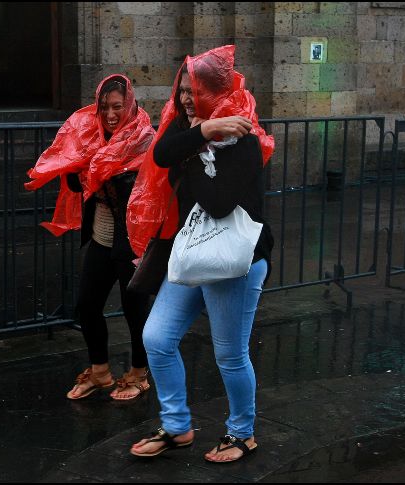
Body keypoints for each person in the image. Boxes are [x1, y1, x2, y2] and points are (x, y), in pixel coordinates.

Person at [125, 45, 275, 462]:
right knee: (156, 338)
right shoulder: (188, 129)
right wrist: (202, 135)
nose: (187, 99)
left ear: (218, 92)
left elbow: (217, 203)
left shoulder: (245, 140)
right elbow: (160, 153)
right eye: (184, 90)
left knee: (229, 353)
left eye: (197, 91)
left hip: (235, 260)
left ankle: (242, 433)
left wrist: (193, 152)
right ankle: (176, 427)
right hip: (191, 251)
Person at [25, 75, 156, 401]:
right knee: (87, 305)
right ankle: (100, 372)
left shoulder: (145, 140)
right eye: (104, 107)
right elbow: (75, 188)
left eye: (117, 106)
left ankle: (140, 373)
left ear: (130, 105)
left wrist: (106, 167)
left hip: (134, 240)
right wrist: (74, 163)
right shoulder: (90, 137)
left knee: (133, 309)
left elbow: (150, 194)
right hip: (101, 235)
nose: (110, 114)